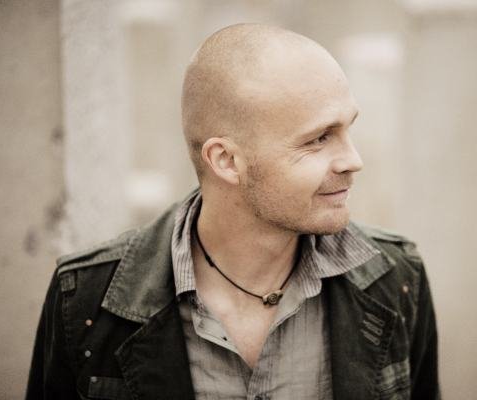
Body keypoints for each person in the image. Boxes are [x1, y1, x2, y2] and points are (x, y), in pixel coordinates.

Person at [26, 23, 439, 400]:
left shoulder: (397, 278)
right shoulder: (85, 300)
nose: (353, 160)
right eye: (318, 139)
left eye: (348, 128)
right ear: (226, 161)